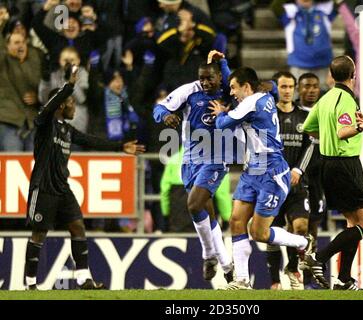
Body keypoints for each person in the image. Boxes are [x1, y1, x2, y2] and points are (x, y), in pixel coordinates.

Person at [24, 65, 145, 290]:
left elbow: (92, 141)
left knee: (78, 227)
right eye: (70, 103)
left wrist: (120, 146)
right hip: (44, 188)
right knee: (39, 233)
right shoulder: (44, 124)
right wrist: (69, 86)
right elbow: (48, 107)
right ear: (61, 105)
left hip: (62, 188)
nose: (74, 108)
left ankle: (83, 278)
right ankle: (30, 283)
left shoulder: (67, 131)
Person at [209, 67, 313, 290]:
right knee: (236, 221)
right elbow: (267, 85)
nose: (231, 92)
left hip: (272, 172)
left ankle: (304, 243)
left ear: (246, 87)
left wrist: (220, 114)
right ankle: (243, 281)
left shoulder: (251, 103)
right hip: (252, 169)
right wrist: (225, 63)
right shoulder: (266, 95)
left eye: (234, 88)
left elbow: (221, 124)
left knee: (259, 233)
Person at [152, 58, 234, 283]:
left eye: (210, 78)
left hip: (217, 157)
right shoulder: (189, 91)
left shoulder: (229, 91)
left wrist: (224, 64)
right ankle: (227, 265)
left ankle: (208, 254)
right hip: (190, 160)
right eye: (202, 78)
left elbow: (248, 86)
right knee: (207, 213)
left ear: (219, 77)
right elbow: (159, 107)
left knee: (194, 204)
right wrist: (165, 115)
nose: (205, 82)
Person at [302, 55, 363, 290]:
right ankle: (318, 257)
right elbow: (344, 131)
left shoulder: (325, 99)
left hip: (328, 165)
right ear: (353, 75)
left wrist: (329, 138)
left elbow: (307, 129)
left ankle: (344, 280)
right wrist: (359, 127)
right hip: (345, 165)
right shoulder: (345, 98)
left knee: (352, 223)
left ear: (332, 76)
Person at [265, 71, 315, 290]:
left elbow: (310, 146)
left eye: (290, 87)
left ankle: (292, 268)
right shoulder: (267, 116)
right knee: (272, 233)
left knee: (300, 226)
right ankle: (275, 281)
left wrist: (298, 170)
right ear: (276, 88)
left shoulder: (304, 117)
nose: (286, 91)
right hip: (273, 184)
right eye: (282, 87)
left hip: (296, 183)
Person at [296, 72, 326, 288]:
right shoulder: (294, 113)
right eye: (307, 86)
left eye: (315, 86)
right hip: (298, 176)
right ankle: (291, 270)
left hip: (320, 176)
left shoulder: (325, 112)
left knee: (313, 225)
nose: (311, 90)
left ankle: (308, 278)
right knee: (296, 225)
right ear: (299, 88)